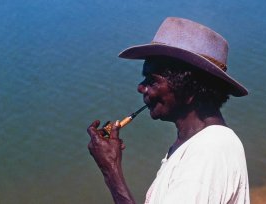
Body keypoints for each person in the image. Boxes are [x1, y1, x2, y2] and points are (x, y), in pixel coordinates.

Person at [87, 17, 250, 204]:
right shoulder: (195, 144)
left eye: (152, 80)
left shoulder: (208, 153)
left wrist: (111, 171)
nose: (141, 88)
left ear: (189, 88)